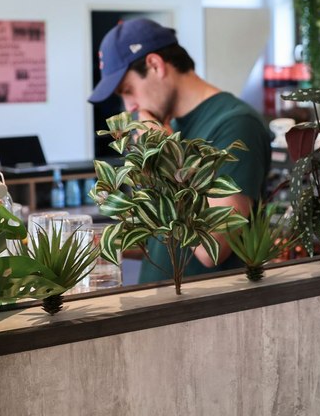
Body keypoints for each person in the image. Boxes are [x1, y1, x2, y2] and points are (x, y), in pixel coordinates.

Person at [88, 18, 271, 284]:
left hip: (203, 313)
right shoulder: (167, 126)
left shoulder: (235, 124)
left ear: (155, 65)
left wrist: (165, 157)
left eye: (128, 90)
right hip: (157, 305)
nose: (129, 106)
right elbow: (164, 238)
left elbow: (213, 248)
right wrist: (98, 243)